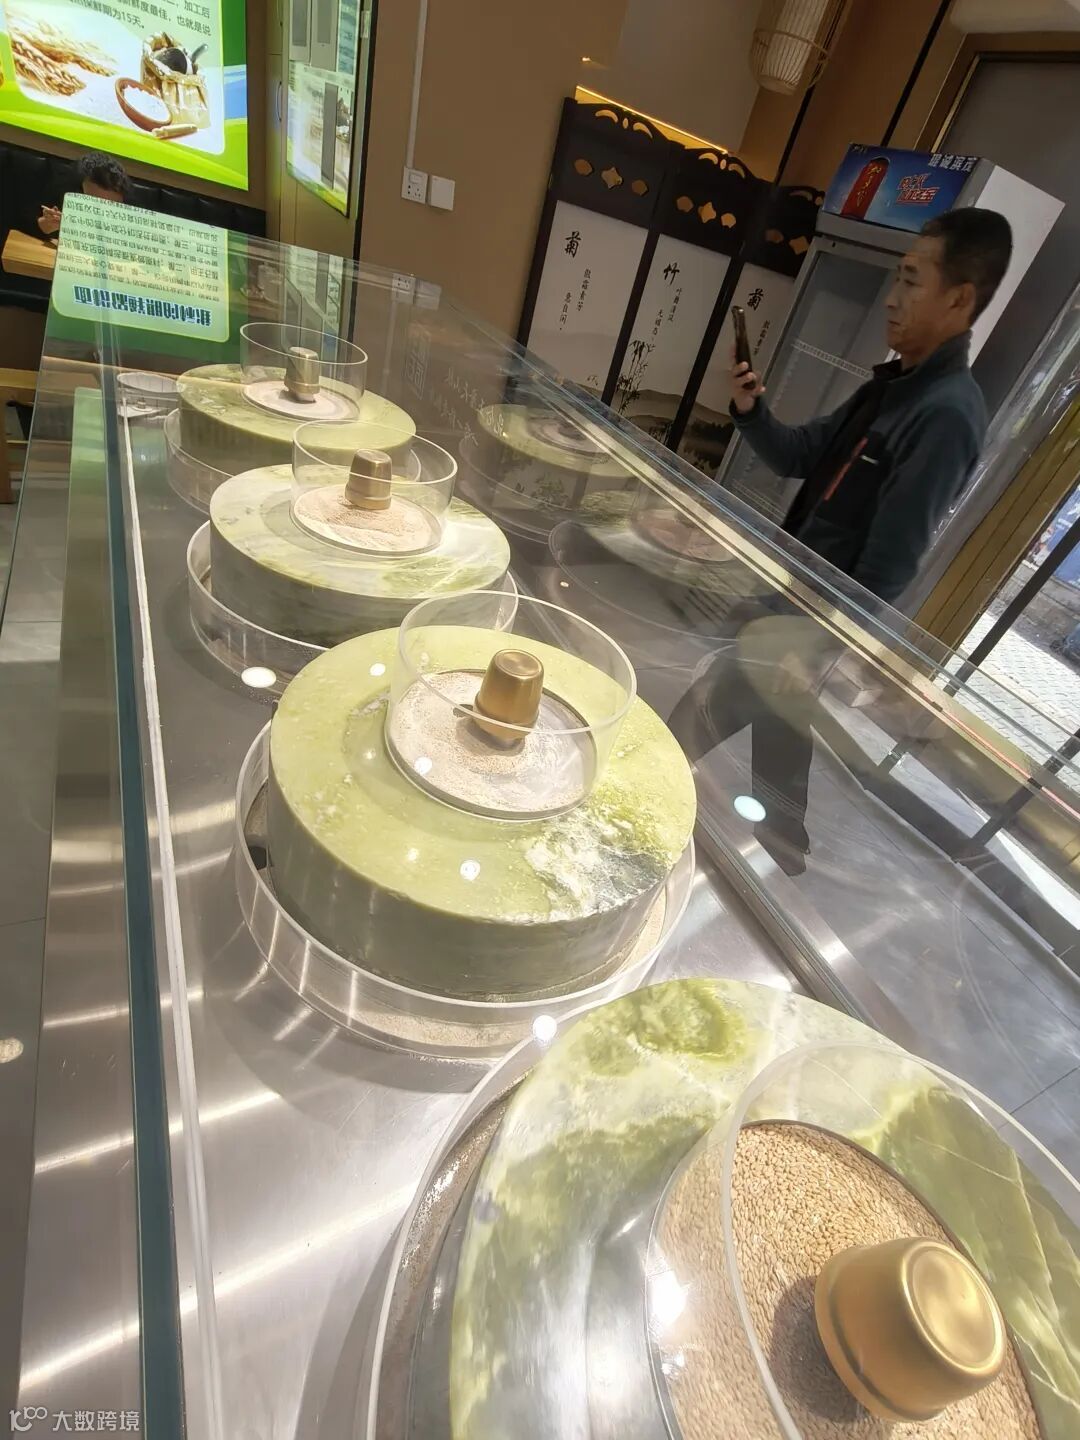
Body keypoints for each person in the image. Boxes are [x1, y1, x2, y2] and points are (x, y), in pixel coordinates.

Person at [669, 207, 1014, 874]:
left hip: (804, 624)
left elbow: (890, 565)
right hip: (788, 604)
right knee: (774, 719)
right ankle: (785, 842)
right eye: (897, 278)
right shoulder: (889, 387)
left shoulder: (946, 415)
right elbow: (798, 454)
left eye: (911, 280)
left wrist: (816, 645)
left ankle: (731, 820)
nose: (892, 297)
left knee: (703, 713)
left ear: (959, 298)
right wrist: (750, 410)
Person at [34, 151, 132, 238]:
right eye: (93, 207)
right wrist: (44, 226)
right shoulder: (57, 194)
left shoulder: (131, 218)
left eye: (110, 209)